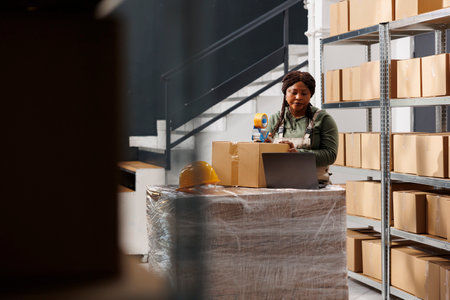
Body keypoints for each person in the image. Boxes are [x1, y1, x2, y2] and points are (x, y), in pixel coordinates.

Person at [266, 70, 338, 184]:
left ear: (310, 95)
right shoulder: (275, 119)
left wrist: (299, 154)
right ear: (285, 94)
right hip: (279, 183)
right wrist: (262, 144)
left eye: (304, 93)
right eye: (293, 92)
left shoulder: (323, 119)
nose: (298, 97)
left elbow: (330, 155)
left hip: (316, 184)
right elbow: (264, 153)